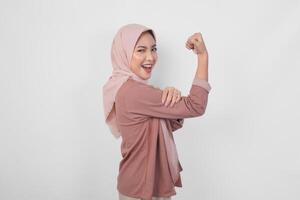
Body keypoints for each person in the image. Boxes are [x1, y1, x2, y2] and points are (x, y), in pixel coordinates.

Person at [102, 24, 212, 200]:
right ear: (123, 53)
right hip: (141, 191)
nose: (150, 57)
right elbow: (196, 105)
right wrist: (203, 56)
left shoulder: (127, 88)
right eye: (140, 50)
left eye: (153, 49)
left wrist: (169, 95)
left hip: (140, 185)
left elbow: (160, 123)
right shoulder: (134, 92)